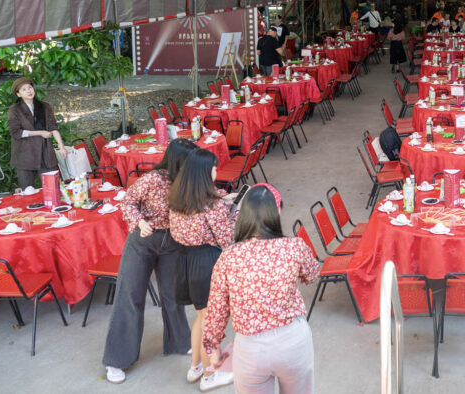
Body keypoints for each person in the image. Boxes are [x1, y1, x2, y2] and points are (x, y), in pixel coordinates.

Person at [203, 184, 320, 394]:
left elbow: (216, 308)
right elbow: (312, 275)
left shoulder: (229, 256)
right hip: (292, 341)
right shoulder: (294, 247)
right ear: (277, 213)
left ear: (243, 215)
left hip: (250, 349)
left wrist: (213, 346)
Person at [103, 139, 197, 384]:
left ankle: (179, 341)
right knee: (130, 296)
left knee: (173, 295)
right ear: (177, 161)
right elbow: (127, 201)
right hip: (143, 239)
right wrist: (139, 222)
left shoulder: (187, 179)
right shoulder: (154, 179)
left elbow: (205, 197)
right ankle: (117, 360)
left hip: (172, 240)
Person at [169, 148, 237, 391]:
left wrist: (222, 198)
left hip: (185, 261)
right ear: (206, 173)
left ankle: (196, 367)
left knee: (201, 317)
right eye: (214, 168)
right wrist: (235, 213)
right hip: (207, 262)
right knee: (211, 324)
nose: (217, 171)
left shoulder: (178, 198)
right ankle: (210, 376)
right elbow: (227, 239)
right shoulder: (212, 206)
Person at [6, 77, 66, 189]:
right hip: (25, 154)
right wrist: (40, 132)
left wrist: (61, 146)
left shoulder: (44, 106)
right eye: (24, 89)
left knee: (53, 188)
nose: (28, 91)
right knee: (28, 191)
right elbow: (16, 133)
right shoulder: (14, 110)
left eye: (30, 87)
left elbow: (53, 127)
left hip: (45, 152)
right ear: (18, 94)